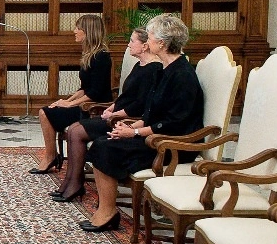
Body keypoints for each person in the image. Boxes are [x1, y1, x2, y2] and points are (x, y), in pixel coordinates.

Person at [83, 14, 204, 232]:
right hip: (154, 136)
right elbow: (151, 114)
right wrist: (132, 127)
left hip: (172, 145)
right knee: (104, 141)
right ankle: (107, 209)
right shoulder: (165, 70)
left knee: (104, 147)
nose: (147, 42)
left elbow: (174, 123)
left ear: (162, 43)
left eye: (150, 37)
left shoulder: (183, 76)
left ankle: (108, 212)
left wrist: (135, 134)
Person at [50, 27, 161, 202]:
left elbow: (139, 104)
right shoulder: (140, 65)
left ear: (145, 46)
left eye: (132, 41)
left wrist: (114, 114)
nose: (128, 44)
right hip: (117, 113)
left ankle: (75, 184)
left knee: (76, 131)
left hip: (126, 119)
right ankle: (71, 181)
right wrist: (112, 107)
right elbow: (126, 95)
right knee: (73, 129)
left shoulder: (154, 69)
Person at [29, 15, 111, 174]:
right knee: (48, 109)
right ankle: (51, 155)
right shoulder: (89, 54)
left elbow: (95, 92)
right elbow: (84, 88)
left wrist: (70, 104)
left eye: (77, 28)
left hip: (94, 108)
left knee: (45, 113)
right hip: (85, 103)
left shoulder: (102, 57)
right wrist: (65, 100)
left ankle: (51, 157)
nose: (74, 31)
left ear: (87, 31)